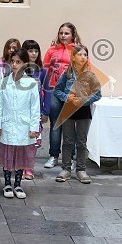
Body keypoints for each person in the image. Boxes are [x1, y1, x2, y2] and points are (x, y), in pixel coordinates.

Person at [0, 49, 40, 199]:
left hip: (24, 125)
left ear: (25, 64)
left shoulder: (31, 83)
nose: (14, 65)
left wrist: (34, 127)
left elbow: (35, 107)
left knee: (20, 155)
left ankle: (18, 184)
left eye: (18, 62)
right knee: (7, 153)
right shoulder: (4, 82)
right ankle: (7, 183)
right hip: (7, 123)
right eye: (12, 61)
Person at [54, 45, 101, 184]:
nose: (83, 57)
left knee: (81, 141)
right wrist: (66, 97)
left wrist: (83, 101)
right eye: (80, 54)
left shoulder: (91, 75)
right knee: (68, 141)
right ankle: (66, 169)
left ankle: (81, 170)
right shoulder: (66, 74)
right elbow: (57, 90)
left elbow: (97, 94)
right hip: (68, 111)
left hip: (84, 111)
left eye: (85, 55)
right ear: (73, 57)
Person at [43, 22, 82, 168]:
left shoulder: (78, 50)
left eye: (66, 33)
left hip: (71, 92)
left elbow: (86, 70)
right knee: (55, 125)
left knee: (70, 126)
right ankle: (53, 156)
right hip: (53, 90)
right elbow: (45, 70)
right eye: (61, 33)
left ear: (73, 35)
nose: (63, 36)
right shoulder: (52, 50)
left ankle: (69, 158)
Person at [21, 40, 50, 180]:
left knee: (32, 141)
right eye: (30, 50)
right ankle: (19, 165)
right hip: (21, 112)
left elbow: (48, 91)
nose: (33, 53)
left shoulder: (43, 71)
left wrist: (46, 111)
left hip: (36, 113)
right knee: (20, 140)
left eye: (36, 51)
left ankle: (29, 167)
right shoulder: (19, 70)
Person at [0, 38, 20, 166]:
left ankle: (15, 156)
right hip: (4, 101)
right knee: (2, 129)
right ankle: (1, 155)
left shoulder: (21, 64)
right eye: (9, 47)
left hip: (18, 101)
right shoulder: (1, 65)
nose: (11, 50)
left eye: (14, 47)